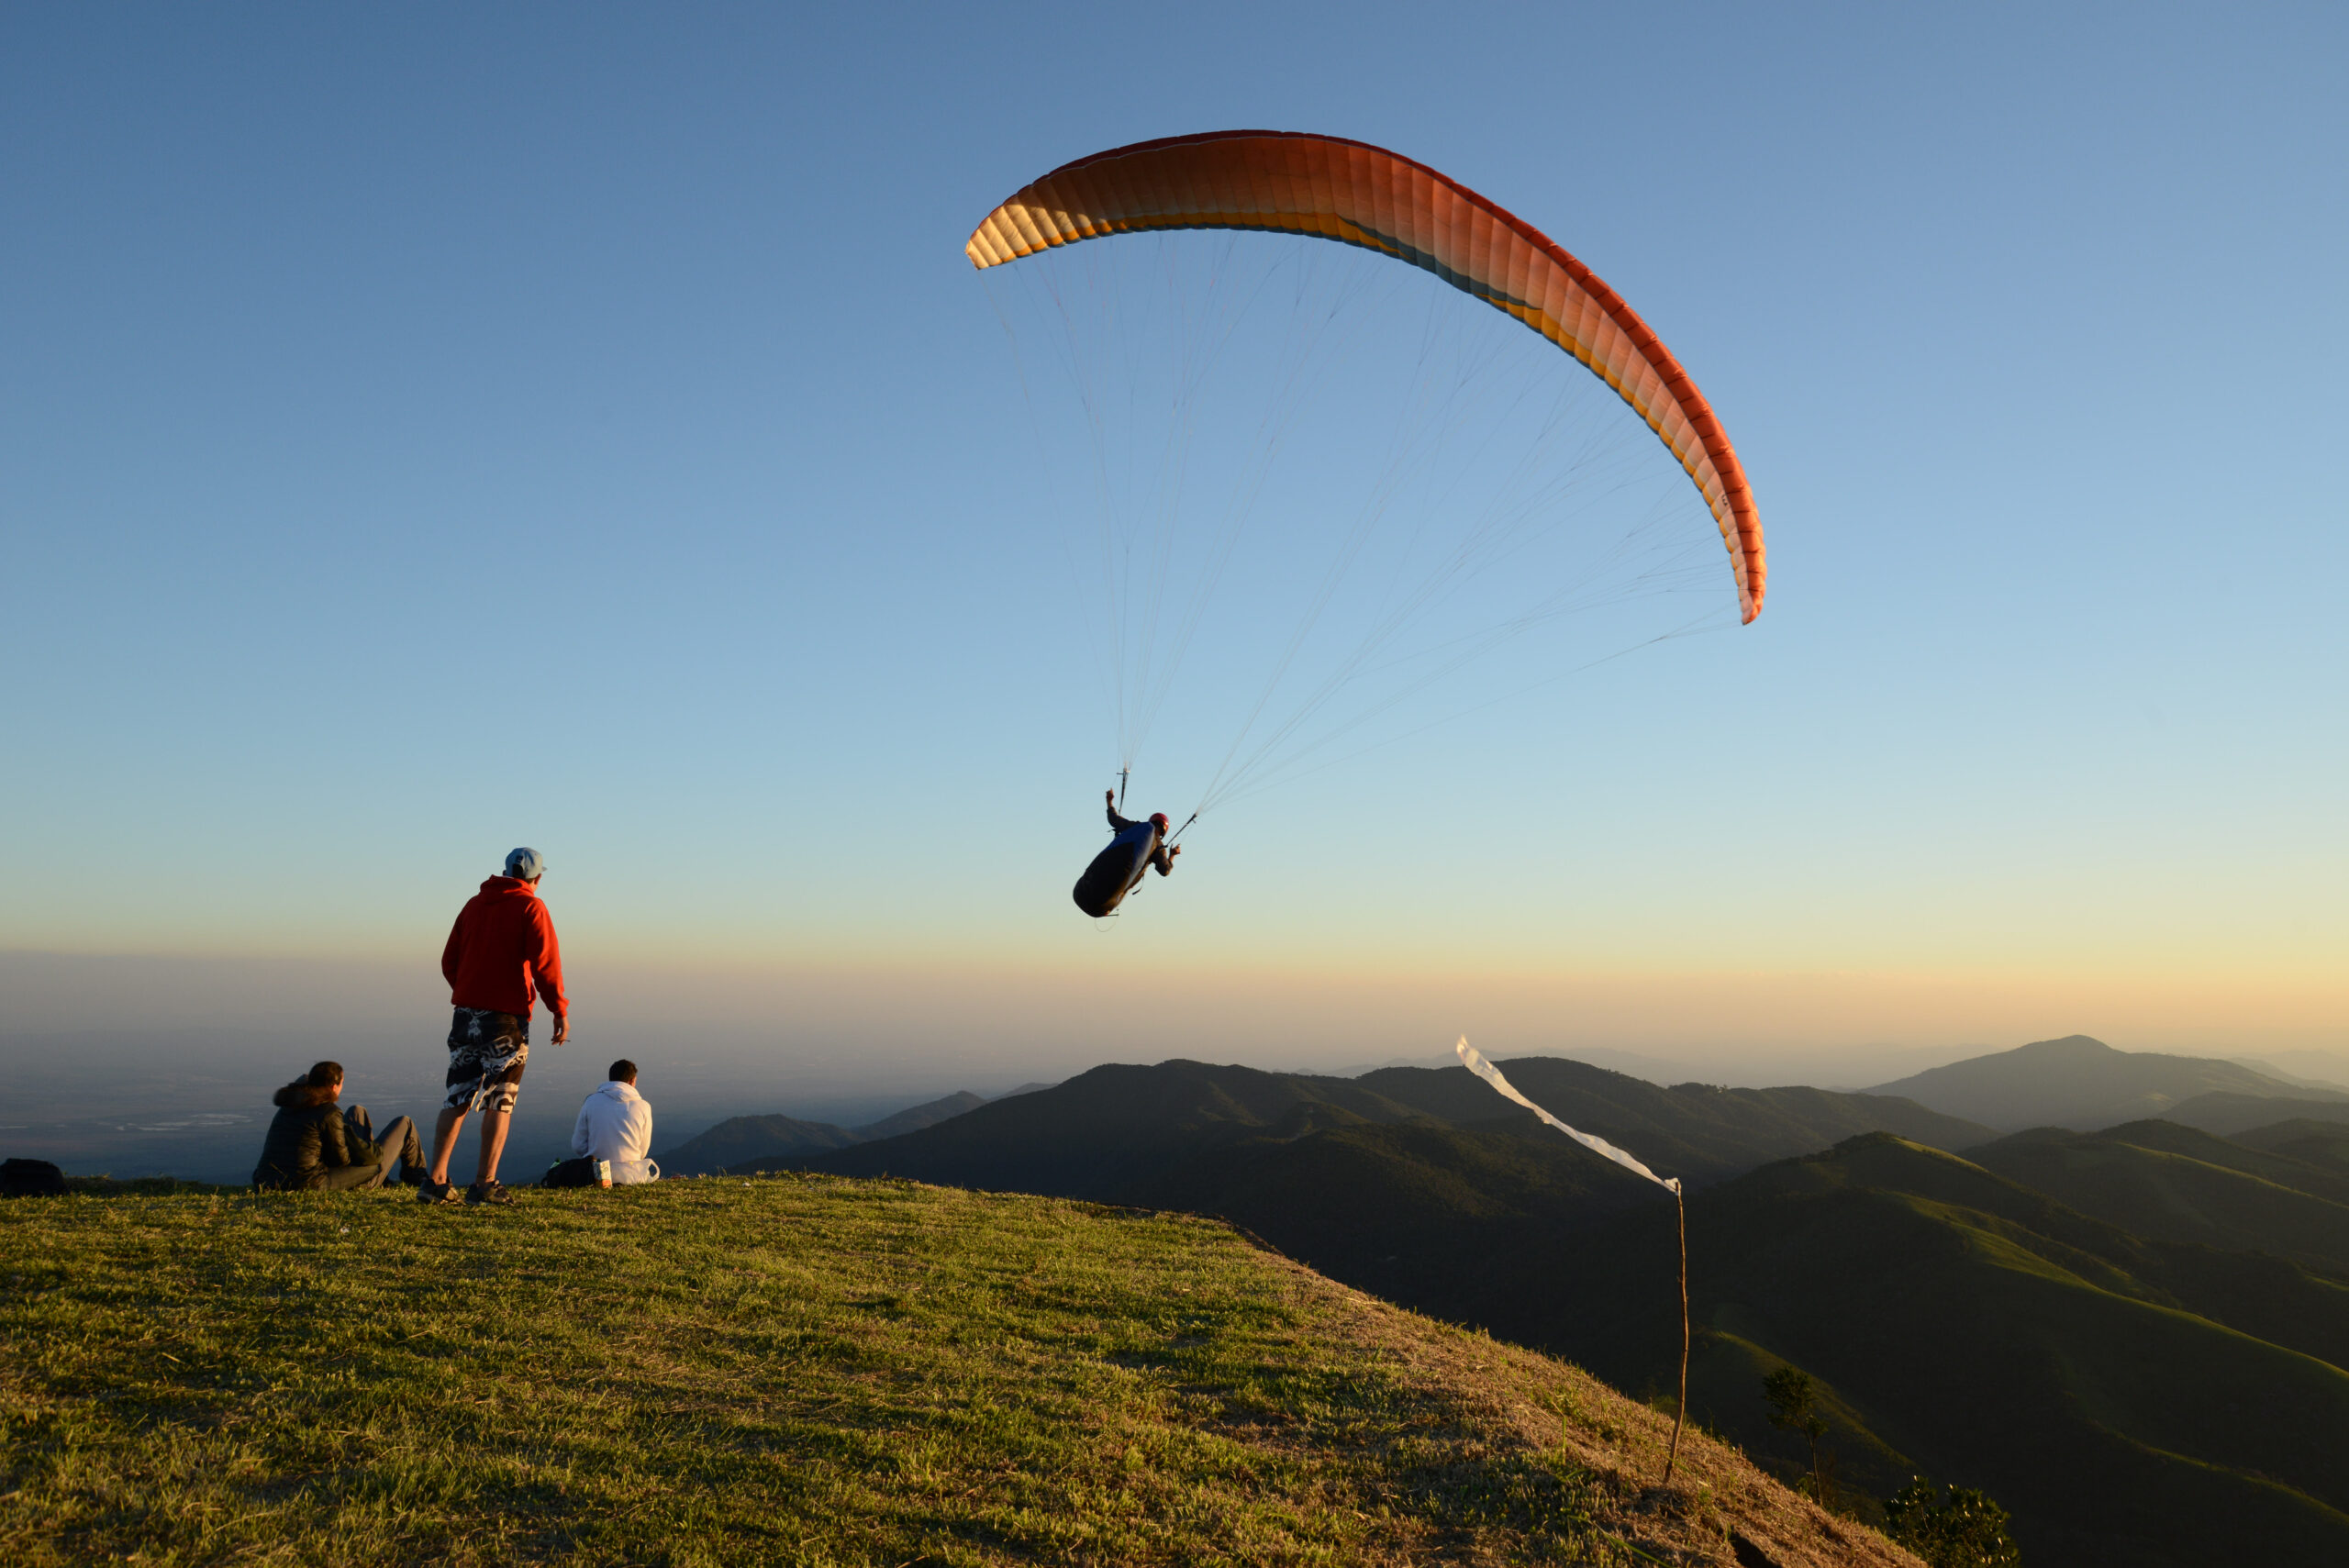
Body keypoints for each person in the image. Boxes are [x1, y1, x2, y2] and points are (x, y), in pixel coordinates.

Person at [425, 846, 568, 1207]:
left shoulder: (473, 905)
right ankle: (485, 1184)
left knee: (457, 1095)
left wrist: (469, 992)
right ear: (536, 878)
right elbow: (545, 964)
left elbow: (449, 960)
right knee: (499, 1099)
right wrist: (558, 1010)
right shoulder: (531, 906)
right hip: (506, 1018)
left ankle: (436, 1181)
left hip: (465, 1015)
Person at [252, 1061, 422, 1192]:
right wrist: (364, 1149)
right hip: (308, 1182)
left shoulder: (290, 1105)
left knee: (356, 1112)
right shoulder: (327, 1113)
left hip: (268, 1179)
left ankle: (383, 1181)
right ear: (334, 1087)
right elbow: (340, 1161)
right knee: (404, 1124)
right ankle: (417, 1179)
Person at [570, 1059, 660, 1184]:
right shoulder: (643, 1106)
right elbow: (643, 1150)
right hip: (632, 1176)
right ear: (632, 1080)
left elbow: (578, 1145)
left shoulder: (591, 1102)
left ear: (611, 1079)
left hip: (595, 1175)